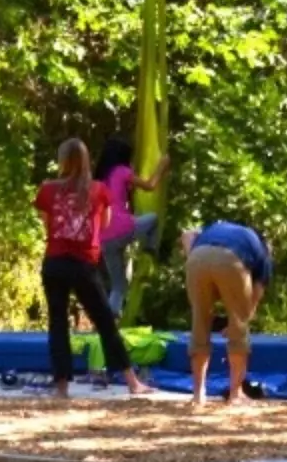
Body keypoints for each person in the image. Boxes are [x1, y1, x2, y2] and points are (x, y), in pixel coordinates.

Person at [36, 139, 149, 399]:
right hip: (84, 264)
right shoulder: (98, 190)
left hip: (54, 262)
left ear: (62, 160)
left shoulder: (47, 190)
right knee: (105, 322)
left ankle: (62, 387)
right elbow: (105, 223)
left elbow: (47, 224)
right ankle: (132, 381)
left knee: (57, 324)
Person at [180, 220, 272, 411]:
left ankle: (198, 395)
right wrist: (239, 321)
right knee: (239, 326)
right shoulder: (262, 252)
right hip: (232, 260)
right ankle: (236, 394)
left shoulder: (218, 227)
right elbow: (256, 295)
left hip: (197, 258)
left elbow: (187, 235)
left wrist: (194, 259)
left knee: (199, 323)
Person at [96, 138, 171, 320]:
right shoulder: (122, 171)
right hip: (122, 227)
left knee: (119, 286)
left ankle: (109, 319)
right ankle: (150, 250)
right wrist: (162, 165)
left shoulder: (98, 179)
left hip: (104, 239)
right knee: (153, 219)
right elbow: (150, 185)